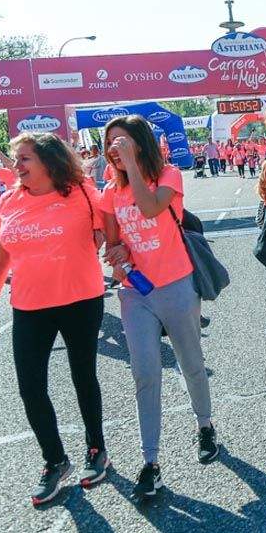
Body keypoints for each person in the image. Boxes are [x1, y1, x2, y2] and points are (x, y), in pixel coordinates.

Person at [0, 133, 109, 506]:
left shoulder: (83, 190)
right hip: (29, 306)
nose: (16, 166)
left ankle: (96, 449)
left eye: (24, 159)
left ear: (49, 162)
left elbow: (112, 225)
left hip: (81, 300)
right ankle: (54, 460)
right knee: (30, 387)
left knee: (83, 376)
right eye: (16, 159)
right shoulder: (8, 200)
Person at [99, 115, 218, 499]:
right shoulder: (109, 193)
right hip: (136, 293)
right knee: (145, 373)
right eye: (111, 144)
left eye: (123, 143)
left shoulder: (168, 176)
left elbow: (150, 209)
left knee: (190, 363)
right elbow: (115, 245)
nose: (115, 151)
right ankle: (150, 462)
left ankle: (205, 425)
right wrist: (114, 253)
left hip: (177, 286)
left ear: (140, 144)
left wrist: (132, 164)